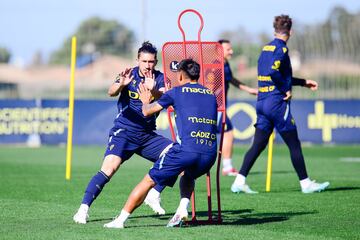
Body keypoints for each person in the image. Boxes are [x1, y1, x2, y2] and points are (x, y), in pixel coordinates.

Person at [103, 58, 218, 229]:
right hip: (209, 154)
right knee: (188, 175)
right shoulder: (211, 95)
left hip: (186, 151)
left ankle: (120, 220)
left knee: (147, 181)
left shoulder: (176, 92)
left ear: (180, 75)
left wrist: (145, 100)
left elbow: (148, 112)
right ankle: (182, 209)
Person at [73, 42, 173, 224]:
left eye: (151, 61)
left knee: (177, 156)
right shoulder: (129, 74)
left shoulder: (160, 79)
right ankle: (83, 209)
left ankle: (154, 193)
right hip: (125, 131)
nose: (148, 65)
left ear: (156, 61)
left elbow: (166, 98)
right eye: (144, 61)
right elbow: (110, 92)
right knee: (109, 168)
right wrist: (121, 84)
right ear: (138, 60)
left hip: (147, 135)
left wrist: (154, 91)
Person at [231, 15, 329, 194]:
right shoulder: (282, 49)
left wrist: (303, 82)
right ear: (290, 32)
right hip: (276, 103)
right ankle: (306, 184)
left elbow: (276, 73)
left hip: (261, 102)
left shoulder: (266, 48)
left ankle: (239, 181)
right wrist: (285, 89)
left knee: (258, 144)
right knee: (294, 144)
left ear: (275, 30)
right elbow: (273, 71)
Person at [217, 39, 258, 176]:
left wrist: (248, 89)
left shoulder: (225, 63)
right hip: (215, 108)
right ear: (219, 50)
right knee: (226, 134)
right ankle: (226, 167)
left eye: (231, 48)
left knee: (226, 133)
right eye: (228, 49)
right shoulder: (215, 66)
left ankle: (227, 167)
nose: (231, 51)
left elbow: (231, 79)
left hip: (221, 108)